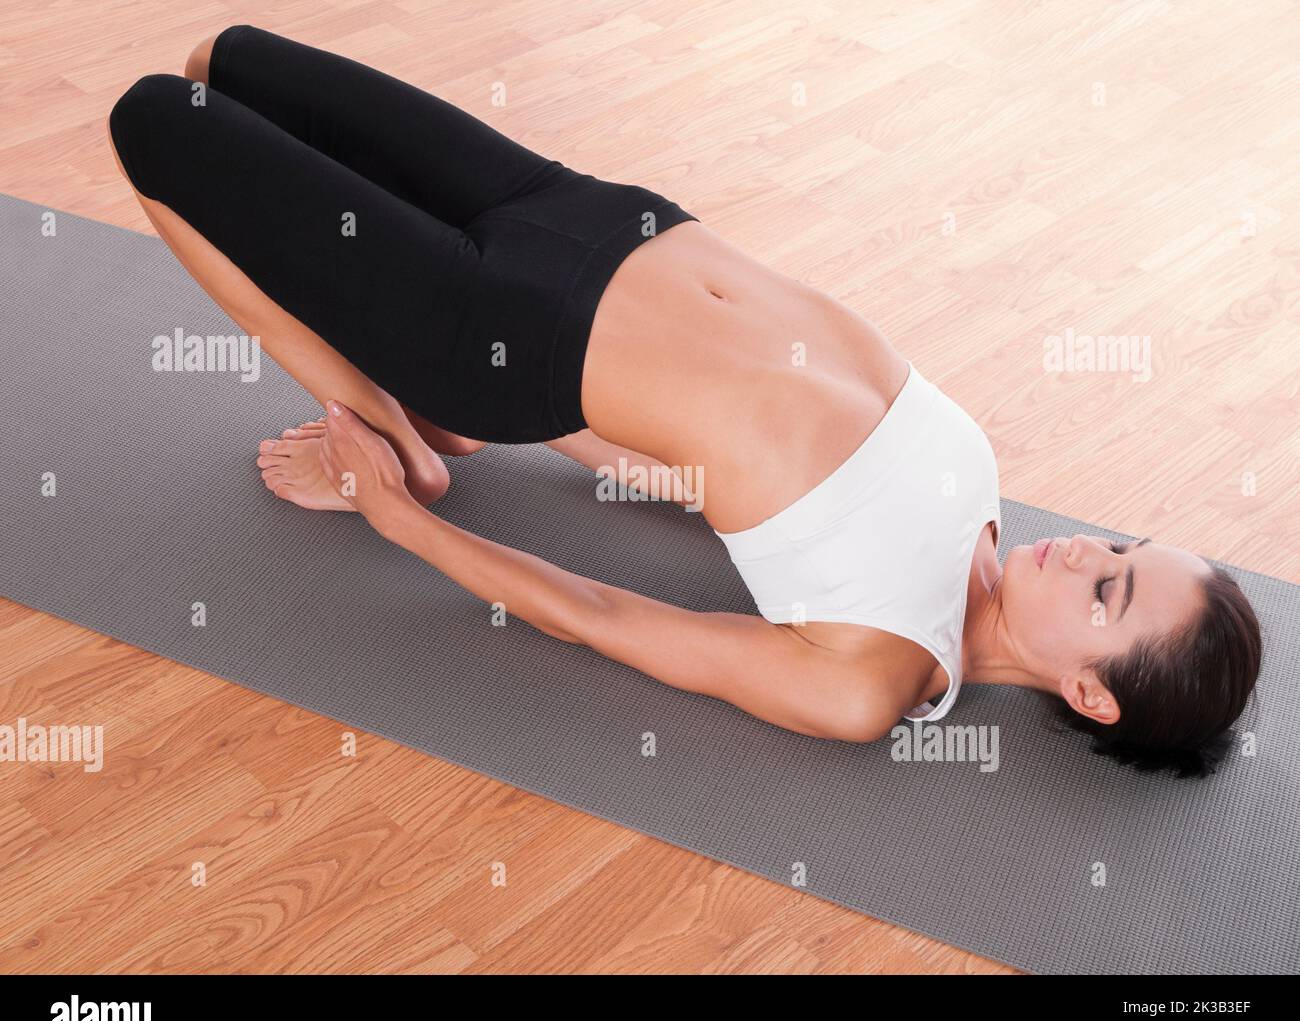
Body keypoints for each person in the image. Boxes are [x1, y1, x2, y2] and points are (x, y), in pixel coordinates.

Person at [107, 25, 1261, 775]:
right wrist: (547, 435)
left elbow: (605, 620)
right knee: (230, 60)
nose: (1082, 555)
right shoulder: (981, 502)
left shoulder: (871, 675)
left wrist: (398, 512)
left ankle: (397, 438)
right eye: (1117, 545)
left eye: (1110, 591)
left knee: (155, 122)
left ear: (1087, 696)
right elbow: (699, 463)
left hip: (504, 330)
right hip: (582, 211)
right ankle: (431, 415)